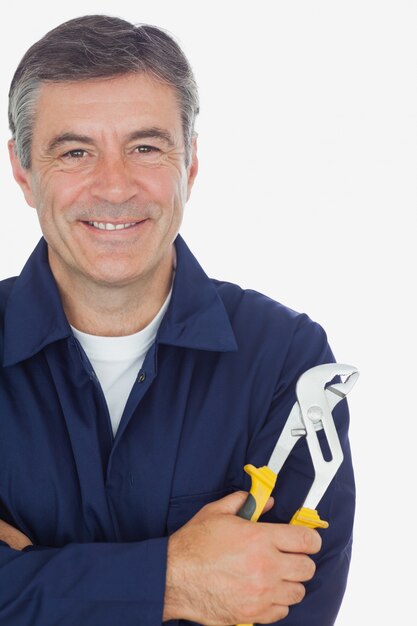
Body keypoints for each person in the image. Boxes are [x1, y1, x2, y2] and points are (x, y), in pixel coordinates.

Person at [0, 14, 355, 626]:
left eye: (145, 147)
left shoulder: (287, 362)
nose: (114, 187)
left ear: (189, 165)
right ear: (24, 171)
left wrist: (38, 581)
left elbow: (292, 604)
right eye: (76, 151)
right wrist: (175, 581)